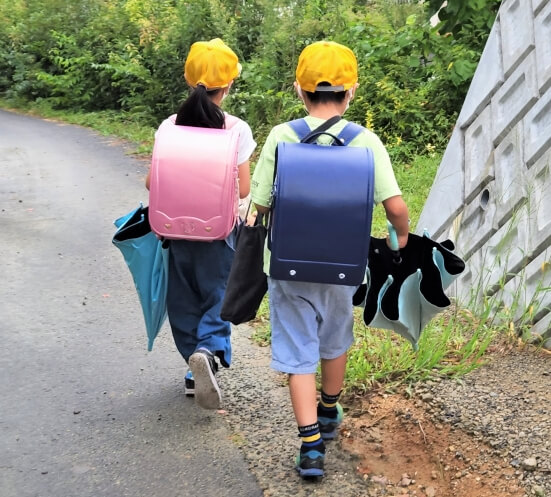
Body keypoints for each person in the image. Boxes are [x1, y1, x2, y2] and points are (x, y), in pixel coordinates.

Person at [250, 40, 409, 479]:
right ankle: (329, 410)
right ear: (351, 91)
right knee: (335, 335)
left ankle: (310, 446)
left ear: (299, 91)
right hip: (344, 267)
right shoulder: (367, 141)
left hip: (288, 267)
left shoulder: (282, 137)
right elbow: (394, 207)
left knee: (296, 348)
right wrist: (401, 237)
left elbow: (259, 206)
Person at [145, 39, 256, 410]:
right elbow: (243, 188)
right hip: (220, 232)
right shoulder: (236, 129)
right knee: (218, 295)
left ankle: (194, 368)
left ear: (187, 79)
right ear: (230, 85)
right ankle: (208, 351)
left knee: (185, 298)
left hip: (174, 232)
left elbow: (151, 183)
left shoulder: (169, 125)